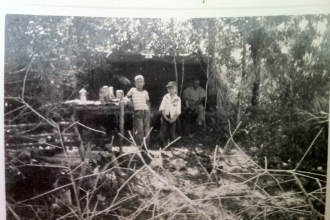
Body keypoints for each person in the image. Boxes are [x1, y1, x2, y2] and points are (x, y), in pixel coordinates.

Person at [126, 75, 150, 146]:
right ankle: (138, 145)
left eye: (141, 82)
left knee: (147, 129)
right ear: (135, 83)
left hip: (146, 112)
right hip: (137, 112)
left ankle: (146, 146)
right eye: (138, 82)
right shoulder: (132, 90)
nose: (139, 83)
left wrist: (149, 111)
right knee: (140, 130)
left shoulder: (145, 92)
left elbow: (147, 103)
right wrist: (129, 102)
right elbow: (126, 97)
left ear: (143, 83)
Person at [158, 81, 181, 148]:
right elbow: (162, 108)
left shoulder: (178, 99)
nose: (171, 90)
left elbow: (178, 111)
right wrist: (165, 118)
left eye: (172, 88)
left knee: (172, 132)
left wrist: (174, 119)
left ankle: (172, 146)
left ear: (176, 89)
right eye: (169, 88)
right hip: (165, 116)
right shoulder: (165, 97)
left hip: (173, 117)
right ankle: (161, 146)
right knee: (163, 131)